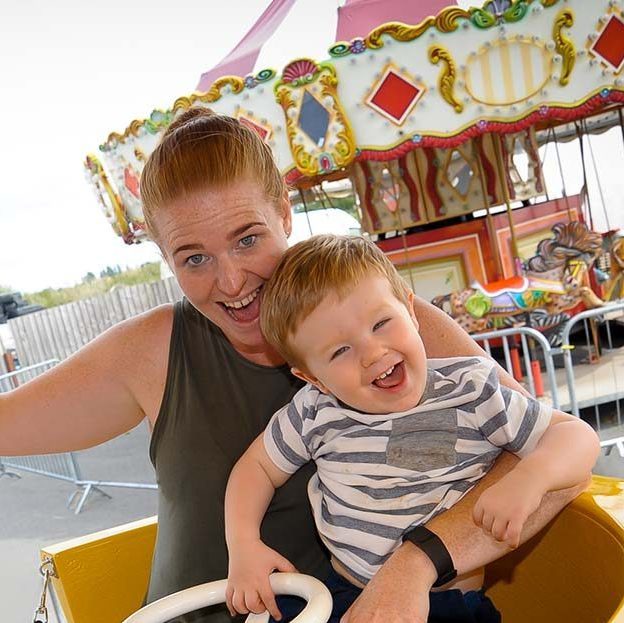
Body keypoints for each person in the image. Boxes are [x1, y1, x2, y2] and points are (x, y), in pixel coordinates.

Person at [0, 108, 591, 623]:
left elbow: (543, 459)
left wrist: (413, 565)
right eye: (194, 257)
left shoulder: (389, 322)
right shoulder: (155, 348)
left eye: (248, 238)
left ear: (284, 212)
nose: (230, 281)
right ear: (165, 259)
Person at [224, 235, 600, 622]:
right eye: (339, 351)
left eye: (381, 323)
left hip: (447, 605)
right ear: (312, 378)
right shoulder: (314, 411)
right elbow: (255, 468)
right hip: (346, 595)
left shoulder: (468, 390)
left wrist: (530, 477)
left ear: (410, 308)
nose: (373, 353)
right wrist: (243, 544)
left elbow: (576, 435)